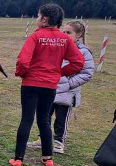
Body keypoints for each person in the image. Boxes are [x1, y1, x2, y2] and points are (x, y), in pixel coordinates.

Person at [10, 4, 84, 166]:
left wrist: (21, 73)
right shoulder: (65, 39)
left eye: (38, 16)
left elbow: (23, 61)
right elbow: (78, 62)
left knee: (27, 119)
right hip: (50, 85)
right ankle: (47, 158)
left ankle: (18, 158)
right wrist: (59, 72)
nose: (37, 19)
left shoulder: (35, 37)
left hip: (30, 83)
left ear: (44, 19)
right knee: (44, 120)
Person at [27, 20, 94, 155]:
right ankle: (43, 139)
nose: (64, 34)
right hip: (50, 88)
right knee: (44, 116)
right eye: (63, 32)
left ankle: (58, 142)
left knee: (61, 119)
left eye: (68, 32)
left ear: (79, 35)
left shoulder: (84, 52)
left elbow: (87, 73)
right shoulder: (57, 46)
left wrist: (68, 84)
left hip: (67, 93)